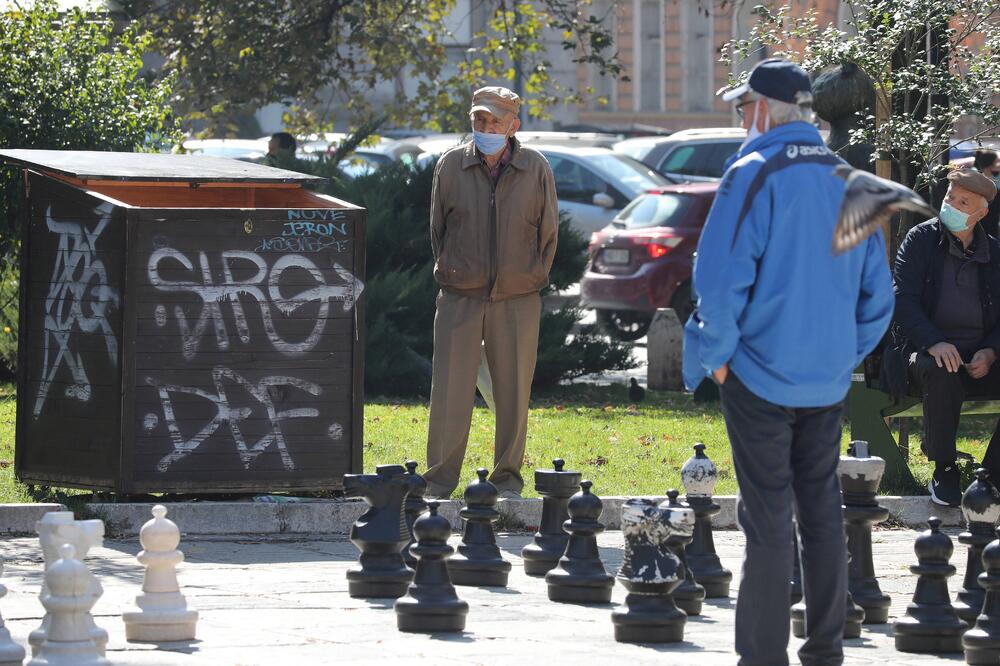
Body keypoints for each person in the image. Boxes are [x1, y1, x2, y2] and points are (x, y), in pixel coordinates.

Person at [682, 58, 894, 666]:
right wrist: (839, 356)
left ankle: (762, 656)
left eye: (741, 106)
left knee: (770, 519)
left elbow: (719, 284)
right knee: (822, 512)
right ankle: (826, 651)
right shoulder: (850, 178)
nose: (741, 118)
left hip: (757, 376)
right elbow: (878, 297)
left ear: (760, 109)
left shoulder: (751, 172)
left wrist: (718, 361)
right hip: (824, 380)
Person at [423, 86, 558, 499]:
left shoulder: (536, 168)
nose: (485, 127)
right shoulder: (451, 166)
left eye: (494, 121)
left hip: (518, 297)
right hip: (460, 294)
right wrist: (456, 270)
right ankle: (439, 481)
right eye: (479, 120)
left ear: (514, 126)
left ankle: (506, 482)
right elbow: (438, 230)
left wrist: (528, 277)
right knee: (450, 391)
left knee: (514, 392)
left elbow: (548, 234)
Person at [881, 168, 1000, 506]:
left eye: (963, 202)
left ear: (981, 213)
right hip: (924, 355)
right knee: (940, 367)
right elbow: (902, 300)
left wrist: (991, 351)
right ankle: (944, 469)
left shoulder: (993, 253)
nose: (952, 205)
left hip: (979, 361)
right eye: (950, 197)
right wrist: (934, 341)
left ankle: (990, 478)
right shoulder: (920, 240)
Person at [973, 149, 1000, 237]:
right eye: (997, 161)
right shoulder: (995, 184)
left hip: (976, 226)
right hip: (990, 228)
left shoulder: (974, 180)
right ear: (990, 165)